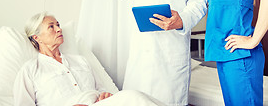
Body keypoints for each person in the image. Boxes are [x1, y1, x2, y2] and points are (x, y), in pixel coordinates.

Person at [13, 12, 166, 106]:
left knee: (135, 97)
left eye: (58, 25)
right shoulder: (30, 70)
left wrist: (104, 95)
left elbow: (101, 89)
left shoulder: (81, 61)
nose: (59, 29)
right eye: (51, 27)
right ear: (37, 37)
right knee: (133, 97)